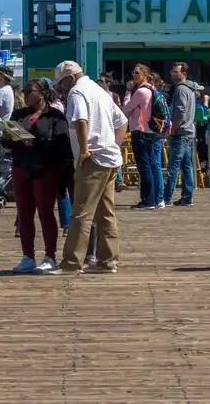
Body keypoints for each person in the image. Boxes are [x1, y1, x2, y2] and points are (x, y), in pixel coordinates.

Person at [55, 60, 127, 274]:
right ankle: (108, 261)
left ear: (70, 78)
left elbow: (81, 122)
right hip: (111, 159)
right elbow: (122, 121)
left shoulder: (77, 93)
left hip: (93, 160)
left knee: (81, 213)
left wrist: (85, 151)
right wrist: (113, 145)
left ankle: (71, 263)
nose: (61, 88)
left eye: (61, 83)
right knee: (106, 213)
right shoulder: (99, 90)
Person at [2, 78, 72, 274]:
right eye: (24, 91)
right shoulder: (19, 114)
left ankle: (50, 255)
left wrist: (37, 144)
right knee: (24, 213)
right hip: (21, 167)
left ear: (41, 93)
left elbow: (62, 145)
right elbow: (7, 144)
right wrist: (9, 136)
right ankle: (28, 256)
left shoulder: (55, 116)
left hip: (45, 169)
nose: (25, 95)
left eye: (29, 91)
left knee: (46, 213)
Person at [123, 64, 164, 209]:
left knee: (144, 166)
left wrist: (128, 91)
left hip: (140, 131)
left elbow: (126, 108)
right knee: (150, 165)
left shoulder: (141, 92)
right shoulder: (151, 89)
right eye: (133, 72)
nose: (134, 75)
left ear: (145, 74)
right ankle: (152, 198)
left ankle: (148, 200)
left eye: (137, 73)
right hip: (150, 131)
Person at [164, 64, 198, 207]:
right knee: (186, 166)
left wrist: (174, 127)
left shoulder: (180, 89)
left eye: (176, 71)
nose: (173, 74)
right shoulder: (190, 89)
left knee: (173, 167)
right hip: (189, 132)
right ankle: (187, 196)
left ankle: (166, 198)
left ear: (184, 73)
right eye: (172, 71)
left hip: (181, 132)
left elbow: (180, 111)